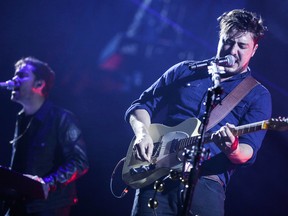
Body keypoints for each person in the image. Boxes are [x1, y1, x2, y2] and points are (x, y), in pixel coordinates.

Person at [124, 9, 272, 216]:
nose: (232, 50)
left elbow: (247, 152)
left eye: (242, 45)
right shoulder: (185, 71)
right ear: (219, 39)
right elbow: (141, 106)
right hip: (157, 178)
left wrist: (232, 148)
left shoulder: (257, 94)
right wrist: (142, 134)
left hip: (206, 185)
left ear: (254, 50)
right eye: (228, 42)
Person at [2, 57, 89, 216]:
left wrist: (47, 183)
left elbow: (80, 162)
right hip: (18, 206)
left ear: (39, 84)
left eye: (21, 75)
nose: (14, 79)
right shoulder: (21, 119)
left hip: (47, 208)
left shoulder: (62, 118)